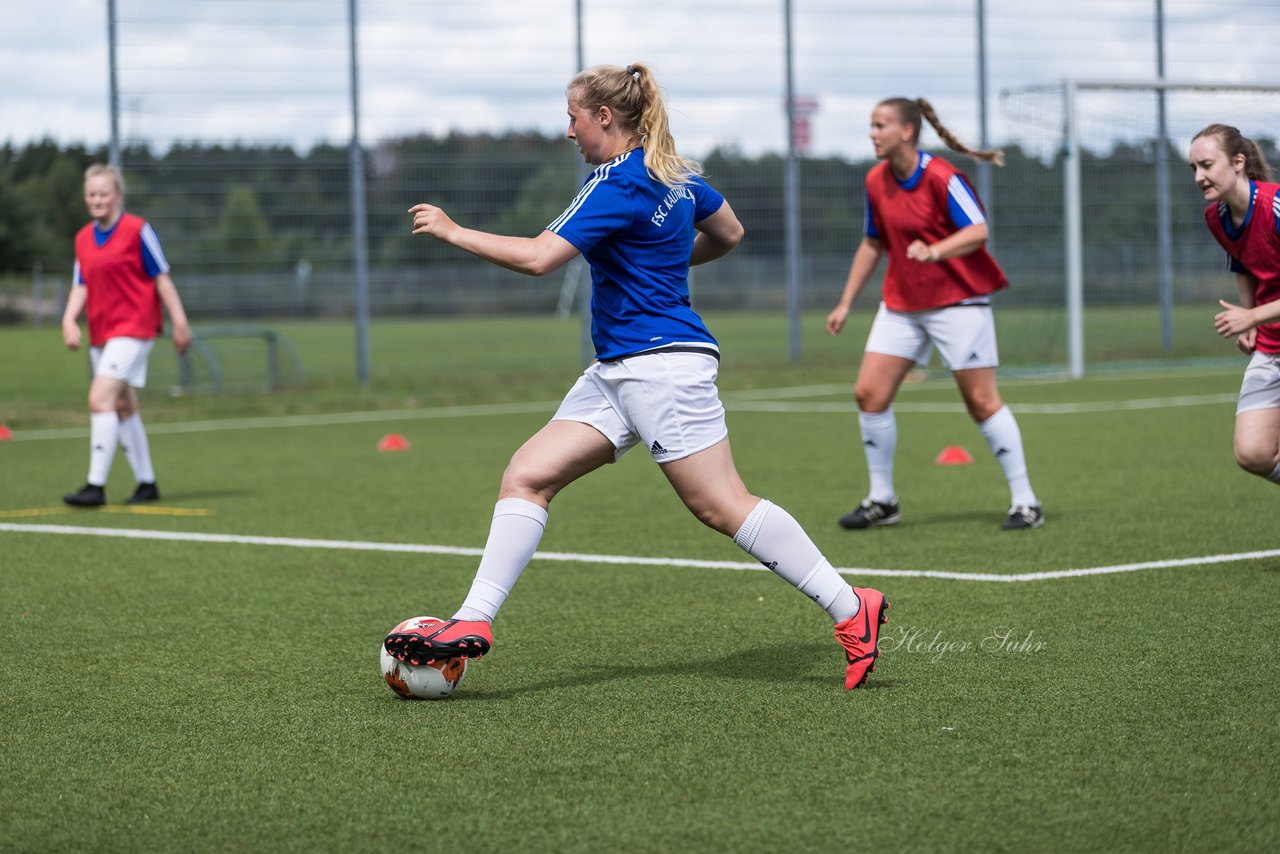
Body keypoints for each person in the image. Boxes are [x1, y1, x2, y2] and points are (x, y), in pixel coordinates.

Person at [384, 63, 889, 690]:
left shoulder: (615, 184)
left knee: (721, 504)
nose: (567, 130)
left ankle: (852, 608)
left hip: (660, 368)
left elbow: (542, 258)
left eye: (572, 117)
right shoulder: (678, 176)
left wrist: (455, 231)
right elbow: (729, 232)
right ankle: (473, 620)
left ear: (603, 116)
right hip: (618, 371)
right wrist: (668, 264)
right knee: (527, 476)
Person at [825, 97, 1043, 531]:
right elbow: (873, 243)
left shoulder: (942, 176)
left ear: (907, 131)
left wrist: (935, 250)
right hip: (903, 304)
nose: (872, 133)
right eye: (870, 125)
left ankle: (1026, 502)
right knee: (869, 394)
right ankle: (882, 500)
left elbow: (978, 230)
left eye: (880, 125)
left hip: (958, 301)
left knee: (981, 402)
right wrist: (846, 301)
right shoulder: (875, 180)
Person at [60, 163, 192, 507]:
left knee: (99, 398)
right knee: (121, 405)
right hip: (102, 331)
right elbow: (80, 284)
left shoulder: (138, 230)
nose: (97, 200)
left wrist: (180, 322)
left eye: (104, 193)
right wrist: (69, 319)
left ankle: (95, 486)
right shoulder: (82, 239)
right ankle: (147, 483)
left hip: (134, 328)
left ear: (117, 195)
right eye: (91, 194)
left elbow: (161, 278)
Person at [1191, 124, 1280, 484]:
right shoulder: (1217, 218)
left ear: (1238, 161)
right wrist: (1254, 322)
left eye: (1207, 165)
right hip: (1273, 342)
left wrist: (1253, 316)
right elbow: (1244, 263)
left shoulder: (1275, 205)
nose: (1199, 176)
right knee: (1253, 453)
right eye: (1193, 168)